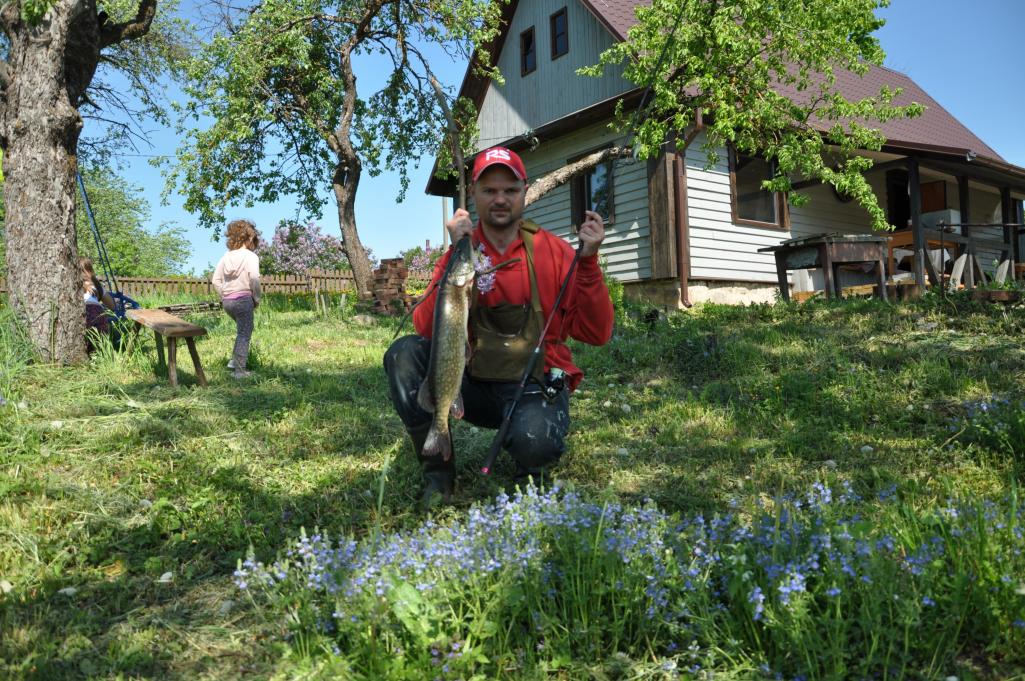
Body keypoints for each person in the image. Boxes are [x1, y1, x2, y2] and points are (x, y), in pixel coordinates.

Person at [384, 146, 614, 507]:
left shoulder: (552, 251)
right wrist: (457, 250)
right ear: (474, 194)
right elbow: (426, 325)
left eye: (510, 190)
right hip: (468, 384)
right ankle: (438, 472)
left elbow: (596, 333)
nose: (500, 199)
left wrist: (587, 263)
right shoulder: (464, 250)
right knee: (404, 354)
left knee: (535, 442)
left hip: (529, 386)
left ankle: (529, 467)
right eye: (489, 190)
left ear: (525, 191)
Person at [212, 219, 262, 379]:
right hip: (243, 300)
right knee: (244, 333)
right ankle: (240, 371)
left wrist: (224, 295)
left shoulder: (225, 257)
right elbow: (254, 277)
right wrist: (257, 298)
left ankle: (234, 361)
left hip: (228, 302)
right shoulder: (251, 256)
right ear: (249, 238)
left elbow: (215, 281)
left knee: (242, 330)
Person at [79, 257, 115, 351]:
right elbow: (112, 306)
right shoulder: (97, 285)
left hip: (84, 314)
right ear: (91, 271)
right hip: (99, 315)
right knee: (99, 346)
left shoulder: (72, 283)